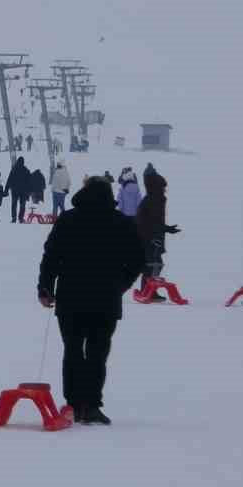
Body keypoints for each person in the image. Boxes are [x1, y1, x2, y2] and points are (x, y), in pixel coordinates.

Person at [36, 177, 145, 424]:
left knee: (73, 350)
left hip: (70, 298)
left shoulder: (68, 220)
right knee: (97, 352)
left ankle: (75, 403)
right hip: (106, 299)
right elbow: (138, 259)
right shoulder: (121, 223)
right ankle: (92, 404)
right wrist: (122, 284)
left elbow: (51, 257)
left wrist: (45, 287)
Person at [133, 166, 180, 289]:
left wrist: (167, 228)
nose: (165, 189)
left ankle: (148, 290)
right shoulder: (154, 199)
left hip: (151, 236)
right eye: (163, 187)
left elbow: (154, 221)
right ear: (157, 187)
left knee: (154, 264)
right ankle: (148, 291)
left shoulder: (154, 198)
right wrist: (160, 232)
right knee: (153, 264)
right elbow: (151, 222)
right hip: (149, 237)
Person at [5, 156, 32, 223]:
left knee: (14, 204)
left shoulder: (14, 169)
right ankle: (21, 218)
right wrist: (29, 192)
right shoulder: (26, 170)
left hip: (14, 191)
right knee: (22, 205)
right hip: (23, 191)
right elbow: (29, 182)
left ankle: (14, 218)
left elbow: (9, 180)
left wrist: (6, 190)